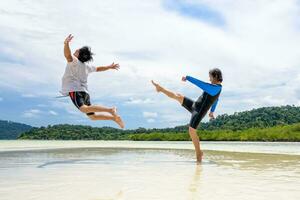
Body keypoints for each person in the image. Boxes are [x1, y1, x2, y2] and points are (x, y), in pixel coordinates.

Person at [151, 69, 223, 162]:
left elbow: (201, 84)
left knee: (192, 130)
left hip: (199, 112)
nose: (209, 79)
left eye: (210, 77)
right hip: (195, 105)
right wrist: (212, 112)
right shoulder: (215, 88)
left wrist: (188, 78)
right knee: (178, 96)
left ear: (216, 76)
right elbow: (216, 100)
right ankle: (160, 89)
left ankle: (198, 153)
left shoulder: (215, 88)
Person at [61, 34, 124, 128]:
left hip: (75, 90)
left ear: (79, 55)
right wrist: (109, 67)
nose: (75, 51)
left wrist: (66, 43)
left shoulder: (74, 61)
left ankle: (110, 110)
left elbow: (67, 55)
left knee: (83, 109)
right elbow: (98, 68)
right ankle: (114, 118)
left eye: (77, 51)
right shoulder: (86, 66)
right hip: (85, 93)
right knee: (93, 117)